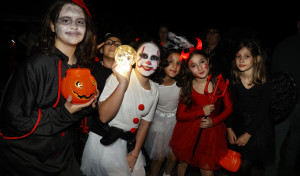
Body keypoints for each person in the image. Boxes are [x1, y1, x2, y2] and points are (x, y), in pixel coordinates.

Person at [0, 0, 98, 175]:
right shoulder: (35, 65)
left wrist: (87, 106)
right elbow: (13, 120)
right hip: (28, 161)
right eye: (66, 20)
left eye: (80, 21)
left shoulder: (83, 68)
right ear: (52, 26)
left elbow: (75, 113)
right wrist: (64, 113)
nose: (74, 26)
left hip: (64, 156)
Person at [80, 40, 161, 176]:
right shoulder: (116, 78)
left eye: (154, 58)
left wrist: (134, 155)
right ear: (135, 57)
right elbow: (104, 117)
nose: (148, 62)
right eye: (144, 56)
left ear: (159, 63)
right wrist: (123, 83)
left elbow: (145, 124)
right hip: (106, 143)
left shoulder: (155, 90)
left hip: (130, 145)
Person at [169, 50, 233, 176]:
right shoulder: (188, 87)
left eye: (202, 62)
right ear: (189, 69)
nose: (199, 68)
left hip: (211, 133)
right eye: (193, 65)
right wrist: (201, 111)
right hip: (189, 131)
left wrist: (213, 121)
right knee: (183, 162)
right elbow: (180, 116)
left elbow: (229, 109)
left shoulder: (220, 84)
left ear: (208, 61)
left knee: (206, 168)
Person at [226, 39, 273, 176]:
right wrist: (228, 128)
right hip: (238, 123)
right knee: (234, 163)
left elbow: (263, 110)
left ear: (257, 59)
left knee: (246, 165)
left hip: (257, 126)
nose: (241, 60)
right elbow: (230, 105)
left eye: (247, 56)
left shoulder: (265, 80)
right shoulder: (233, 80)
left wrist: (248, 134)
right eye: (238, 56)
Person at [264, 18, 300, 176]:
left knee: (277, 138)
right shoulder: (284, 45)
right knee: (296, 137)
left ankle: (271, 171)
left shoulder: (283, 45)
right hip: (292, 103)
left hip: (283, 102)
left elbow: (273, 75)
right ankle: (289, 167)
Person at [144, 49, 182, 176]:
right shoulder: (154, 84)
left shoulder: (182, 84)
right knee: (159, 157)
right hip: (158, 121)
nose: (175, 66)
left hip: (176, 122)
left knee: (173, 156)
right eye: (171, 62)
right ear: (162, 63)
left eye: (179, 63)